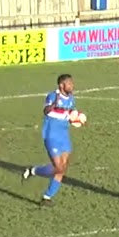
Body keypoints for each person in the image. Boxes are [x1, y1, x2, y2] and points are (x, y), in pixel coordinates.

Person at [22, 73, 77, 206]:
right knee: (58, 167)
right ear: (61, 85)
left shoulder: (71, 98)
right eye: (69, 83)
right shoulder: (52, 96)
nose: (72, 85)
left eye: (72, 83)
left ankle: (47, 197)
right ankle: (33, 170)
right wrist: (54, 104)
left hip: (64, 135)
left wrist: (78, 118)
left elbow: (70, 114)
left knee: (63, 168)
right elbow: (46, 111)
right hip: (51, 135)